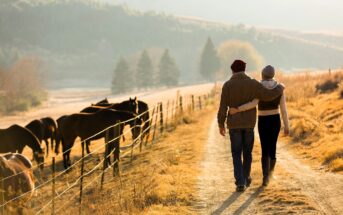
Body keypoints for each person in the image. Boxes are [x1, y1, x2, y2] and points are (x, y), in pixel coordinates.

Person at [217, 60, 284, 192]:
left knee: (236, 153)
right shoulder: (253, 83)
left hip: (234, 124)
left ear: (233, 71)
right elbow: (267, 95)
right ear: (244, 69)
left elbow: (223, 106)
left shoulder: (227, 85)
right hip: (249, 124)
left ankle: (240, 182)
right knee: (247, 152)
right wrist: (280, 87)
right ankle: (246, 177)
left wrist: (221, 123)